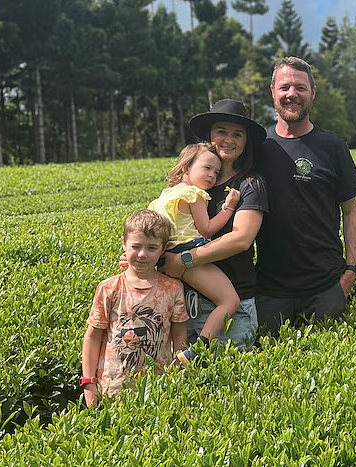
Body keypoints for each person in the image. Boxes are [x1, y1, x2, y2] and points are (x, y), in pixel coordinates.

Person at [253, 56, 356, 333]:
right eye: (285, 87)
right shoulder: (257, 147)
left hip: (325, 288)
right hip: (269, 291)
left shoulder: (333, 146)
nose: (292, 94)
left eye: (301, 88)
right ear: (273, 92)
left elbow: (351, 210)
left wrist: (350, 272)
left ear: (313, 93)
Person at [161, 99, 268, 351]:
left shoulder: (250, 184)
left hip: (232, 304)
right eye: (221, 131)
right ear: (210, 135)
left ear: (246, 141)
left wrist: (184, 260)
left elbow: (241, 239)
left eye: (237, 134)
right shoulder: (190, 186)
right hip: (183, 302)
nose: (229, 139)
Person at [81, 209, 187, 407]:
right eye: (135, 246)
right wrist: (88, 383)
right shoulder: (109, 288)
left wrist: (177, 373)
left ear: (163, 249)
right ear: (124, 243)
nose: (142, 254)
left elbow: (179, 334)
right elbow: (93, 336)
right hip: (112, 388)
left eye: (152, 248)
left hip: (159, 388)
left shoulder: (173, 288)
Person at [148, 142, 241, 363]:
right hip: (188, 252)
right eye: (207, 168)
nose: (212, 176)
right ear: (185, 168)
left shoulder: (162, 198)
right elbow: (207, 228)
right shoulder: (194, 194)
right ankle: (197, 350)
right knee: (230, 301)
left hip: (164, 257)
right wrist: (229, 207)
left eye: (216, 172)